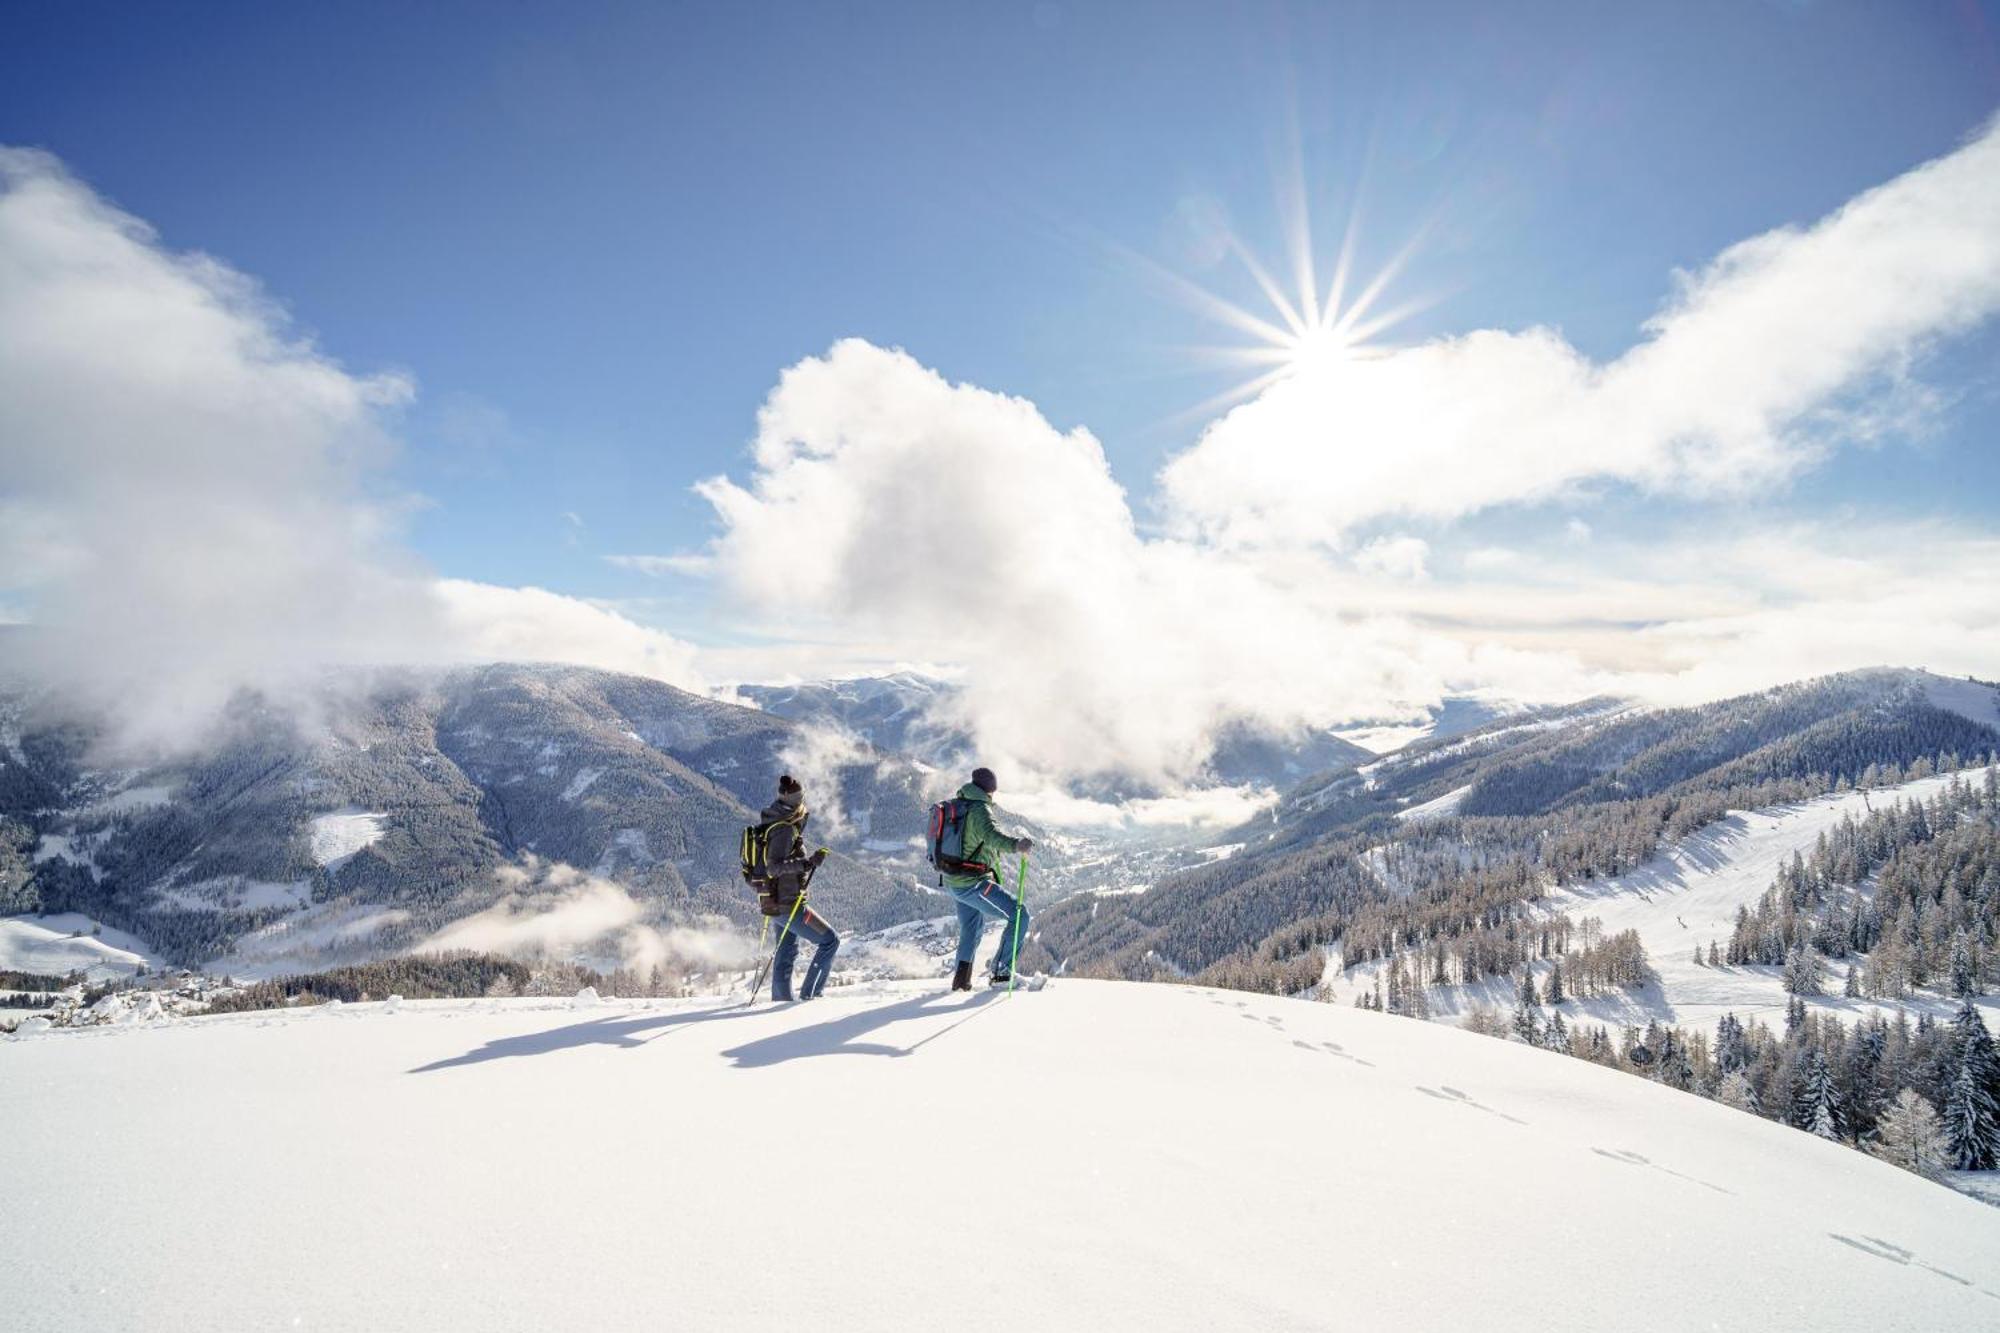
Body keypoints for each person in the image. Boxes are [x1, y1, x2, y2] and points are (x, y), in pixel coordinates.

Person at [940, 767, 1034, 990]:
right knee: (1019, 915)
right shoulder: (979, 808)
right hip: (973, 884)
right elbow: (991, 836)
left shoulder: (960, 803)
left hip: (954, 881)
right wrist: (1016, 845)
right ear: (991, 789)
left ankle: (961, 981)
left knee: (971, 927)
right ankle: (1001, 975)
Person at [758, 775, 838, 1001]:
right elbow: (773, 867)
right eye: (799, 797)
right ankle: (811, 996)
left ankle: (780, 1003)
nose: (802, 801)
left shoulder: (775, 819)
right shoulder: (783, 828)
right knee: (831, 941)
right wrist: (808, 863)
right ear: (793, 799)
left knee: (785, 952)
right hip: (788, 904)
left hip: (774, 902)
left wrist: (807, 862)